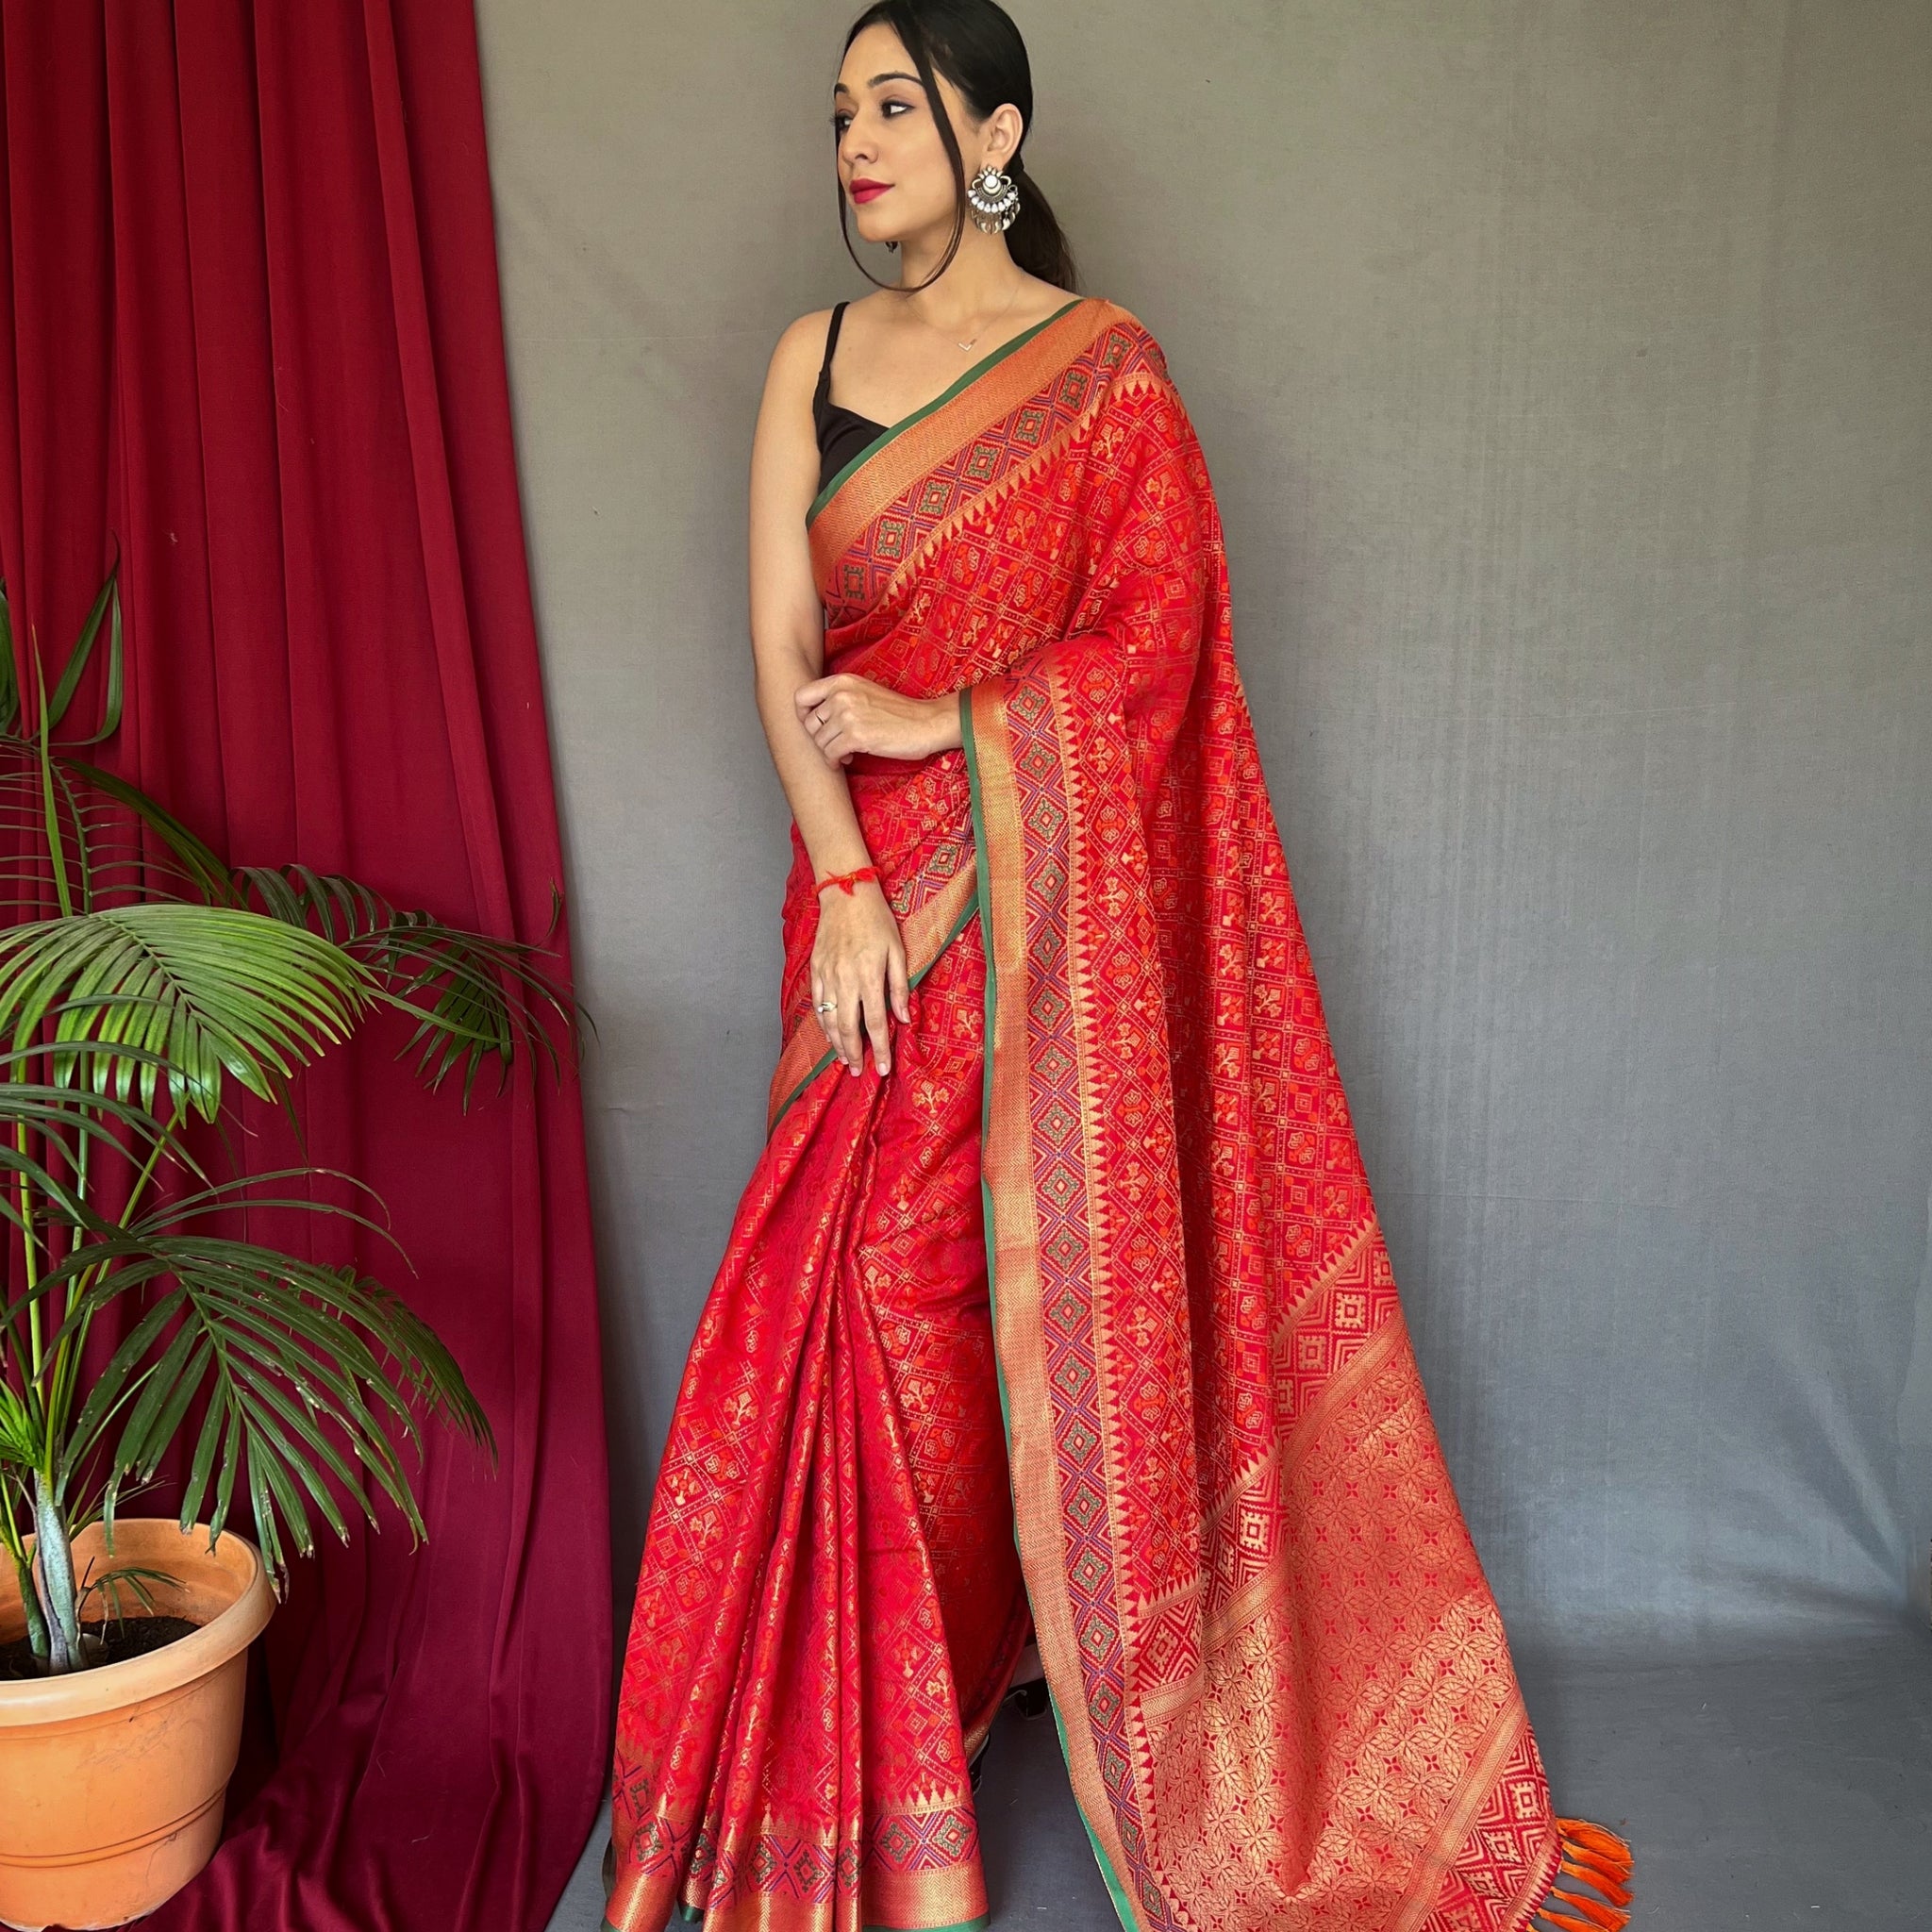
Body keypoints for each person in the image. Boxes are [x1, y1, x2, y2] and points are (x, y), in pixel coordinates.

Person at [603, 5, 1634, 1930]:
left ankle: (1038, 1696)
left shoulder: (1105, 379)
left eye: (893, 103)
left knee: (984, 1311)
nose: (854, 140)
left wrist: (953, 717)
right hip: (866, 924)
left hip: (1035, 935)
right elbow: (772, 638)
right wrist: (838, 872)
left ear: (995, 130)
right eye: (837, 111)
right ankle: (883, 1773)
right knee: (873, 1329)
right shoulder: (808, 363)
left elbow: (1159, 649)